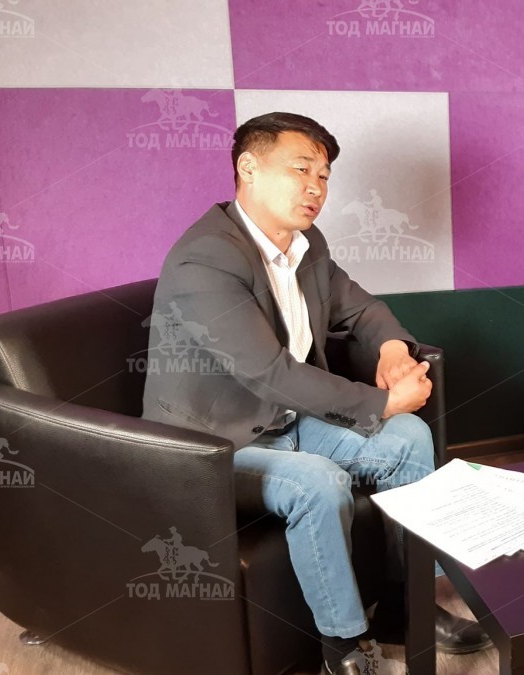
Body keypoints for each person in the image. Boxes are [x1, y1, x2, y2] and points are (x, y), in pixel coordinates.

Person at [141, 112, 490, 675]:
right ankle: (344, 647)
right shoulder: (205, 258)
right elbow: (269, 372)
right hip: (215, 444)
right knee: (318, 483)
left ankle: (408, 607)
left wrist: (392, 349)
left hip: (286, 421)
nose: (316, 188)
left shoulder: (306, 244)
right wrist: (380, 402)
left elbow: (362, 308)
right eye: (300, 169)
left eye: (324, 176)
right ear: (248, 168)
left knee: (408, 436)